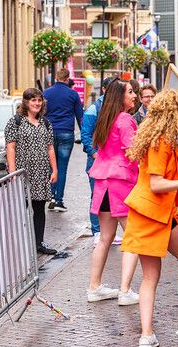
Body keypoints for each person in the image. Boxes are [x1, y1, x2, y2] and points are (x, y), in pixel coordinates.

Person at [122, 90, 178, 347]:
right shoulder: (161, 142)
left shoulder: (161, 139)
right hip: (157, 213)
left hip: (144, 213)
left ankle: (147, 336)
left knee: (150, 276)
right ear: (172, 114)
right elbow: (157, 183)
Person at [87, 80, 140, 305]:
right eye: (130, 92)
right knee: (134, 237)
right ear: (120, 97)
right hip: (120, 181)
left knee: (105, 238)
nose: (135, 95)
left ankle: (94, 287)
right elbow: (132, 151)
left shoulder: (105, 119)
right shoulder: (125, 119)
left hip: (103, 183)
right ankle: (125, 290)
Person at [4, 88, 58, 255]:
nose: (36, 103)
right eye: (33, 100)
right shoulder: (16, 122)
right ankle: (16, 244)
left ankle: (38, 243)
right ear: (26, 102)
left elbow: (50, 148)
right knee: (20, 209)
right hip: (22, 173)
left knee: (39, 209)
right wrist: (13, 172)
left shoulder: (45, 123)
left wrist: (54, 170)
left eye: (39, 100)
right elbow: (10, 147)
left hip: (40, 173)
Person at [42, 68, 83, 213]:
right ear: (67, 79)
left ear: (56, 78)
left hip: (49, 133)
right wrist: (83, 135)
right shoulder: (73, 94)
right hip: (66, 133)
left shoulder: (46, 93)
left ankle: (51, 196)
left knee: (51, 166)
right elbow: (80, 116)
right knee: (62, 167)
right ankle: (59, 200)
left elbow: (41, 114)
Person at [82, 76, 115, 246]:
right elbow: (85, 135)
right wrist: (94, 153)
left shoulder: (117, 108)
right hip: (96, 161)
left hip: (111, 161)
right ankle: (96, 231)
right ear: (104, 90)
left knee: (109, 196)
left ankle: (108, 231)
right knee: (97, 195)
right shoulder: (93, 110)